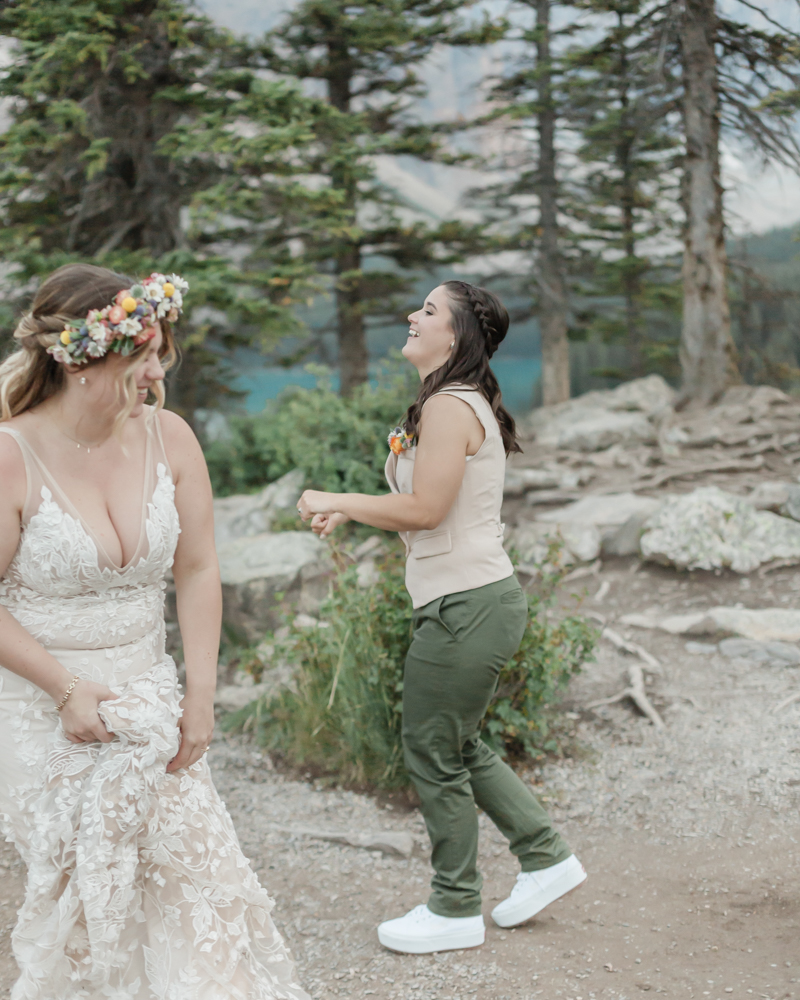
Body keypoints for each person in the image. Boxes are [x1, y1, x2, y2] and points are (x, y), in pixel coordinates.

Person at [0, 264, 309, 1000]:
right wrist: (67, 689)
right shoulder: (11, 455)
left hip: (152, 699)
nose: (157, 369)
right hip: (44, 711)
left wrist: (200, 695)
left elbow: (198, 569)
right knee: (97, 901)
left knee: (197, 882)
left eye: (161, 350)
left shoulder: (170, 437)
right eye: (141, 354)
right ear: (80, 359)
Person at [297, 280, 586, 955]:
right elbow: (426, 503)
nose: (411, 315)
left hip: (468, 604)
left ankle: (455, 907)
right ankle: (546, 857)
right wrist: (354, 509)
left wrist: (333, 493)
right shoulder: (446, 402)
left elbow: (426, 511)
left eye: (427, 310)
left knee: (431, 746)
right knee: (454, 741)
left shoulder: (452, 406)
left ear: (453, 336)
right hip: (465, 600)